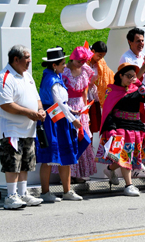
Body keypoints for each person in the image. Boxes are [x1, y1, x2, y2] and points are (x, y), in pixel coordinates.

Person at [0, 45, 45, 209]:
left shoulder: (27, 76)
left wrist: (40, 110)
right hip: (11, 128)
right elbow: (6, 105)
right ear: (16, 59)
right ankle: (10, 196)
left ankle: (23, 193)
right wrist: (29, 113)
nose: (30, 61)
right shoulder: (3, 78)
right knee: (12, 163)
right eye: (27, 57)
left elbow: (36, 98)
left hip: (29, 127)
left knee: (26, 162)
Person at [95, 63, 145, 197]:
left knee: (130, 156)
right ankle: (129, 185)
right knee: (126, 156)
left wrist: (140, 84)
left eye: (133, 76)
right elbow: (107, 111)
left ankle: (110, 169)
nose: (131, 79)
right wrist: (111, 129)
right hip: (120, 127)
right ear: (120, 76)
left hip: (135, 126)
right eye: (129, 76)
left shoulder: (136, 89)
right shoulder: (112, 91)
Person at [37, 47, 87, 202]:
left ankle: (67, 190)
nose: (65, 66)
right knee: (49, 157)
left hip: (58, 119)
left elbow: (62, 103)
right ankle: (46, 192)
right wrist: (73, 119)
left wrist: (72, 111)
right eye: (63, 63)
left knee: (64, 156)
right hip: (53, 121)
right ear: (54, 65)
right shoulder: (51, 80)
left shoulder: (53, 77)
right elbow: (59, 104)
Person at [120, 28, 145, 178]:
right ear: (130, 42)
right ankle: (135, 167)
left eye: (142, 40)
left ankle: (141, 165)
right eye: (137, 41)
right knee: (136, 135)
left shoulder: (143, 56)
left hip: (144, 99)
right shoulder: (126, 58)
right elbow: (132, 79)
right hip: (133, 102)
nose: (141, 43)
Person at [59, 45, 97, 183]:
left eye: (83, 61)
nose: (81, 64)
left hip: (81, 106)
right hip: (68, 106)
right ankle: (68, 174)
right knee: (70, 139)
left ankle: (79, 173)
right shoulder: (65, 72)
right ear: (72, 58)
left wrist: (85, 108)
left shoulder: (85, 69)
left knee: (82, 139)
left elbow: (85, 90)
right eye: (79, 61)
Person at [87, 41, 114, 134]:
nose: (101, 58)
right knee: (86, 121)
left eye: (103, 56)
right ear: (93, 51)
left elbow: (109, 75)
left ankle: (91, 146)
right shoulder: (84, 61)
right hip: (83, 93)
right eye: (99, 55)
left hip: (93, 93)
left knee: (94, 123)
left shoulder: (101, 62)